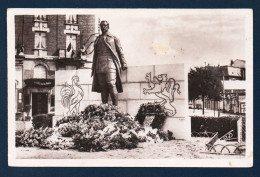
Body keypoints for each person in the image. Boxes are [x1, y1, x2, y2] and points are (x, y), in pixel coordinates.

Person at [91, 20, 127, 106]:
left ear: (108, 26)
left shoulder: (113, 38)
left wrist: (123, 63)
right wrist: (93, 67)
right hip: (99, 64)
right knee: (103, 87)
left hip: (111, 63)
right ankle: (105, 107)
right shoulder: (97, 39)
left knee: (111, 83)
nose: (103, 27)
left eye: (105, 25)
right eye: (102, 25)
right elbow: (95, 54)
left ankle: (115, 108)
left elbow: (120, 51)